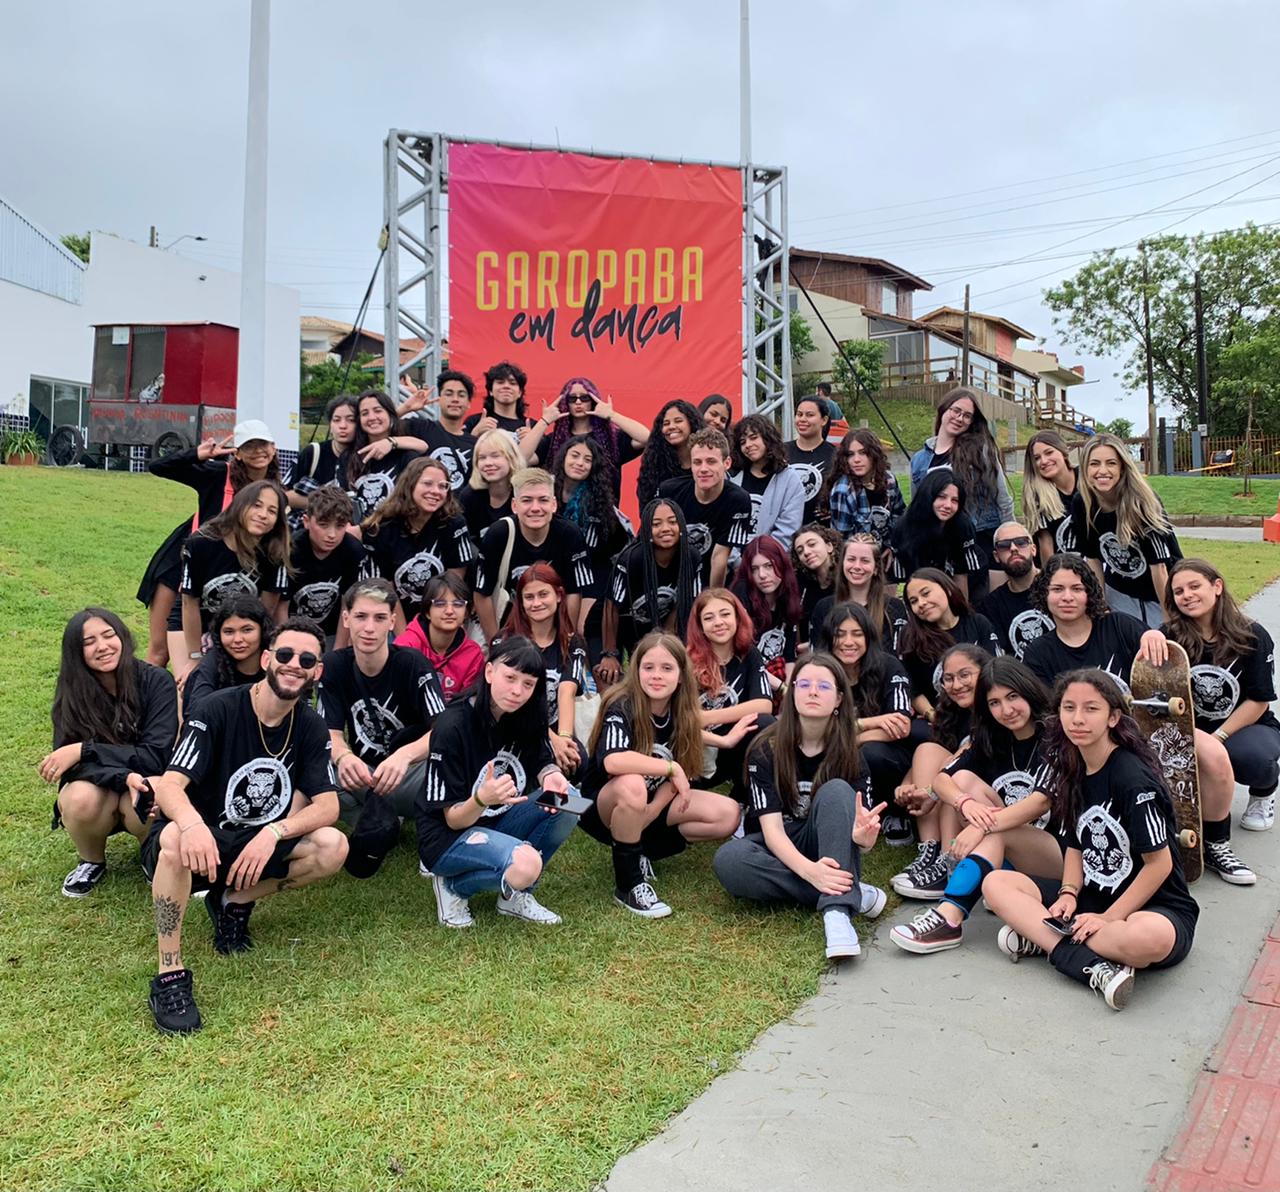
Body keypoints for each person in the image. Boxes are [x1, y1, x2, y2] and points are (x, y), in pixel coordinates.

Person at [144, 617, 348, 1034]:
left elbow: (328, 805)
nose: (295, 664)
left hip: (257, 840)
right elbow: (169, 786)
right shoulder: (217, 708)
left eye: (306, 659)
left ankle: (234, 902)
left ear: (317, 671)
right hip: (201, 837)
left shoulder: (308, 723)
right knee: (171, 838)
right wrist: (191, 824)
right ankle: (170, 972)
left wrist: (275, 832)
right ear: (268, 658)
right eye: (286, 654)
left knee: (333, 846)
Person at [1025, 554, 1254, 885]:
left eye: (1076, 588)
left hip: (1145, 729)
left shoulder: (1118, 625)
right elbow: (1051, 715)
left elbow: (1161, 658)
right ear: (1044, 595)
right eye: (1057, 589)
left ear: (1089, 592)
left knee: (1214, 755)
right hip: (1086, 744)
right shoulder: (1038, 652)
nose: (1067, 597)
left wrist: (1154, 637)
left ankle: (1216, 843)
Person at [983, 669, 1199, 1011]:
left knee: (1148, 938)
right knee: (996, 883)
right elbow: (1075, 843)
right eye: (1069, 708)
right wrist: (1069, 892)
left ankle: (1048, 941)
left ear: (1113, 717)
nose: (1077, 719)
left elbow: (1160, 866)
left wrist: (1110, 918)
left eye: (1091, 709)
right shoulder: (1072, 767)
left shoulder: (1132, 778)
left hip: (1152, 906)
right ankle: (1090, 962)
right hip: (1089, 899)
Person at [713, 653, 889, 959]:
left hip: (827, 843)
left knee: (836, 791)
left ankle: (836, 914)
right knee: (729, 859)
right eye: (803, 683)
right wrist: (810, 872)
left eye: (823, 686)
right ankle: (851, 891)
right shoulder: (765, 749)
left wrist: (863, 840)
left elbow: (859, 836)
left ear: (838, 699)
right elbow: (772, 832)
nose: (812, 691)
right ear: (792, 694)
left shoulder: (851, 755)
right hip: (782, 842)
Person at [890, 658, 1063, 953]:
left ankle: (948, 918)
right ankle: (974, 875)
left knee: (995, 832)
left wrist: (979, 827)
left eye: (1012, 697)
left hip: (1061, 855)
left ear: (1028, 692)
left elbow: (1040, 803)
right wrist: (965, 802)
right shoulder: (991, 737)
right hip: (1012, 842)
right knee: (966, 779)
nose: (1006, 710)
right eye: (994, 703)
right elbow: (943, 780)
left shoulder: (1055, 736)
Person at [415, 635, 575, 928]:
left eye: (528, 684)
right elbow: (452, 820)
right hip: (447, 836)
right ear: (489, 672)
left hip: (494, 818)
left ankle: (514, 894)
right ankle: (452, 887)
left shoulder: (525, 714)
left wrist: (551, 776)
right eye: (510, 677)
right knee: (526, 865)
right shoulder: (452, 727)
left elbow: (541, 759)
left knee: (569, 799)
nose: (517, 691)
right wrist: (481, 799)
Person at [581, 633, 741, 918]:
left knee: (727, 814)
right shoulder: (622, 703)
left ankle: (642, 848)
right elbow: (613, 761)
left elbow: (684, 771)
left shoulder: (683, 711)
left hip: (651, 804)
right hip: (604, 807)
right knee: (632, 783)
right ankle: (628, 884)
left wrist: (653, 811)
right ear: (636, 670)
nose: (657, 676)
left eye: (667, 668)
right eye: (648, 667)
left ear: (681, 675)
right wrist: (670, 768)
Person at [40, 608, 178, 898]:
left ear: (123, 638)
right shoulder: (72, 689)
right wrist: (122, 774)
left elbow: (157, 756)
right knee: (79, 797)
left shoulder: (156, 681)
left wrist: (85, 749)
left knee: (154, 788)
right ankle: (91, 860)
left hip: (145, 783)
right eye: (89, 642)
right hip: (100, 791)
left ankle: (152, 854)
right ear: (76, 652)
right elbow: (70, 766)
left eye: (108, 635)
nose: (102, 646)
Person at [1141, 558, 1280, 833]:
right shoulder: (1170, 636)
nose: (1187, 595)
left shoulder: (1252, 635)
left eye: (1195, 586)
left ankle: (1264, 791)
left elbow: (1259, 700)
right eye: (1179, 592)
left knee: (1255, 759)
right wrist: (1148, 636)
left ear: (1217, 586)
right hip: (1190, 725)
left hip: (1244, 725)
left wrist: (1218, 739)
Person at [136, 418, 280, 667]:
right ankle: (143, 703)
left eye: (263, 444)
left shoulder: (275, 490)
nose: (258, 451)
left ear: (274, 447)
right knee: (160, 651)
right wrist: (196, 454)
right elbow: (158, 467)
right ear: (238, 453)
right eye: (249, 446)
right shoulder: (218, 474)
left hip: (223, 575)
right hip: (179, 564)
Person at [318, 578, 445, 826]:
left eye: (379, 618)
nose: (369, 628)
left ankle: (426, 821)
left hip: (411, 772)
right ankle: (381, 824)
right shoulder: (334, 666)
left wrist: (405, 756)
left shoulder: (413, 663)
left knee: (450, 765)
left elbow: (443, 729)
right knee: (316, 765)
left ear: (391, 622)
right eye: (361, 616)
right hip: (365, 774)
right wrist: (344, 757)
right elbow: (328, 733)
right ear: (346, 619)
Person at [890, 643, 992, 897]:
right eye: (949, 678)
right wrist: (907, 785)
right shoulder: (955, 715)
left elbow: (964, 757)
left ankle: (948, 863)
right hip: (960, 796)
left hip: (984, 799)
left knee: (952, 778)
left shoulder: (995, 709)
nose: (957, 685)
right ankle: (930, 851)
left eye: (965, 675)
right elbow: (940, 757)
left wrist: (930, 790)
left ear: (985, 672)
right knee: (927, 751)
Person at [176, 480, 291, 680]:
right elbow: (189, 603)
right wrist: (194, 657)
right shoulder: (200, 544)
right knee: (188, 683)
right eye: (256, 505)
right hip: (193, 622)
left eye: (272, 511)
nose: (263, 514)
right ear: (239, 505)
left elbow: (265, 612)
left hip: (243, 629)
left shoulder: (275, 552)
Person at [817, 601, 919, 812]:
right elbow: (817, 729)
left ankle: (890, 811)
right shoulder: (819, 671)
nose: (848, 642)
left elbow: (901, 726)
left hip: (886, 753)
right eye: (840, 634)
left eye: (857, 634)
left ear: (868, 637)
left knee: (870, 752)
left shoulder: (889, 666)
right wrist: (871, 722)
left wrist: (856, 738)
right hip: (828, 750)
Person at [1071, 433, 1182, 626]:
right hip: (1120, 592)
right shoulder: (1083, 504)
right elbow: (1093, 559)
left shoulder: (1143, 503)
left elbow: (1160, 568)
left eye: (1111, 463)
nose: (1102, 470)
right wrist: (1100, 605)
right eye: (1094, 463)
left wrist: (1168, 619)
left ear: (1122, 467)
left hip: (1161, 591)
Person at [909, 387, 1014, 590]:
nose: (959, 418)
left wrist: (1009, 539)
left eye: (967, 416)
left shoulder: (981, 450)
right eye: (956, 411)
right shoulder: (919, 460)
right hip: (940, 545)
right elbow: (916, 509)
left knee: (989, 604)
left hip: (981, 538)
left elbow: (1003, 498)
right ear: (943, 410)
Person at [474, 468, 594, 642]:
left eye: (543, 500)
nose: (535, 508)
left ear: (554, 504)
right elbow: (481, 593)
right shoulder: (499, 534)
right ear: (514, 505)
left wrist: (567, 637)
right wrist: (495, 642)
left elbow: (574, 592)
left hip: (553, 621)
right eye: (527, 500)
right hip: (509, 622)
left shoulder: (569, 534)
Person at [361, 456, 476, 624]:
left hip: (440, 614)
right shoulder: (381, 528)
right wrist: (406, 637)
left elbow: (453, 585)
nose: (436, 491)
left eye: (443, 486)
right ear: (410, 485)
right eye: (428, 483)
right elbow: (386, 591)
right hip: (395, 615)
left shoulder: (453, 524)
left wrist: (435, 628)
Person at [685, 588, 775, 799]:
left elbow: (764, 705)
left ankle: (744, 796)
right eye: (709, 618)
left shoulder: (749, 654)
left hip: (732, 748)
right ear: (700, 626)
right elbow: (679, 719)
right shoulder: (686, 661)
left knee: (763, 724)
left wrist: (707, 717)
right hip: (695, 748)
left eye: (725, 614)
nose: (718, 622)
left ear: (737, 617)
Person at [601, 497, 701, 686]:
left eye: (672, 522)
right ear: (647, 529)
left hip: (651, 627)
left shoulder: (691, 557)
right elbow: (611, 607)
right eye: (656, 524)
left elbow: (681, 604)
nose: (665, 528)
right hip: (611, 627)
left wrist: (668, 643)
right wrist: (609, 653)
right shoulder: (631, 560)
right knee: (609, 678)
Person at [506, 563, 590, 777]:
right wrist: (552, 739)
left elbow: (566, 691)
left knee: (578, 760)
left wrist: (564, 739)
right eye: (529, 597)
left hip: (553, 728)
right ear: (521, 602)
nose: (537, 603)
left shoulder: (572, 642)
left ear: (559, 595)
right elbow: (509, 704)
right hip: (511, 728)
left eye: (543, 594)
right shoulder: (506, 641)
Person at [657, 427, 753, 588]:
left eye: (711, 461)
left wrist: (712, 598)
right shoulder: (669, 491)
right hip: (669, 574)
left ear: (727, 463)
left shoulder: (738, 500)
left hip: (710, 575)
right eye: (697, 462)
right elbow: (655, 543)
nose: (703, 469)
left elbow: (719, 558)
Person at [900, 569, 1002, 718]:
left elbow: (996, 669)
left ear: (947, 589)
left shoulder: (978, 623)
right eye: (913, 601)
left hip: (984, 710)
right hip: (942, 717)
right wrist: (931, 714)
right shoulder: (910, 636)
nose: (921, 603)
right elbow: (913, 689)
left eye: (926, 593)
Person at [551, 433, 629, 629]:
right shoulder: (545, 492)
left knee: (579, 630)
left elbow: (616, 547)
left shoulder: (599, 501)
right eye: (575, 455)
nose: (580, 463)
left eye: (588, 459)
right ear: (563, 458)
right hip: (554, 571)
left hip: (592, 573)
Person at [526, 376, 650, 493]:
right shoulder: (554, 441)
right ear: (566, 403)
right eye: (572, 398)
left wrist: (611, 415)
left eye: (584, 398)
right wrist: (544, 421)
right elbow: (521, 458)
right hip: (562, 513)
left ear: (592, 401)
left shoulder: (612, 438)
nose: (578, 402)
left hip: (603, 511)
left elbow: (646, 438)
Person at [889, 468, 985, 600]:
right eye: (941, 497)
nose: (948, 505)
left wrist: (963, 614)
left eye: (954, 500)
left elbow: (961, 575)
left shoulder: (962, 526)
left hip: (966, 579)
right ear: (928, 495)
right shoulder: (903, 528)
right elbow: (901, 581)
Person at [286, 487, 367, 645]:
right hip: (294, 630)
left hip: (331, 631)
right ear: (307, 522)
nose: (332, 535)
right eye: (323, 525)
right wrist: (288, 643)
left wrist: (339, 649)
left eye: (339, 526)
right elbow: (281, 607)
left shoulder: (353, 550)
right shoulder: (291, 551)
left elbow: (348, 603)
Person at [808, 534, 909, 655]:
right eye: (851, 559)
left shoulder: (894, 607)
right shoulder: (824, 607)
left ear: (876, 568)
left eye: (865, 561)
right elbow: (818, 657)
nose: (857, 566)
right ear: (843, 564)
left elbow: (899, 657)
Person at [395, 572, 485, 703]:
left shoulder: (473, 654)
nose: (449, 611)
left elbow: (466, 707)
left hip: (452, 721)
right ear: (427, 611)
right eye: (440, 603)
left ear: (466, 612)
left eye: (458, 604)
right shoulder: (405, 647)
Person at [731, 535, 803, 692]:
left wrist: (791, 690)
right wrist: (783, 689)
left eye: (769, 566)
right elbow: (744, 657)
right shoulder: (742, 593)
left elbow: (790, 656)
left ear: (782, 566)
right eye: (755, 569)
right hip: (746, 680)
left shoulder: (788, 595)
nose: (762, 575)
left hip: (777, 676)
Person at [183, 595, 270, 721]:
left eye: (247, 630)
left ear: (262, 630)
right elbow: (196, 712)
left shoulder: (277, 662)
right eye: (229, 632)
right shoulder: (211, 664)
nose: (238, 640)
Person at [341, 390, 425, 518]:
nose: (372, 417)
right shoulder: (348, 457)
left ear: (390, 414)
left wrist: (390, 442)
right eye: (365, 413)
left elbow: (424, 446)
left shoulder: (407, 456)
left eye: (378, 410)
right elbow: (341, 502)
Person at [978, 521, 1054, 660]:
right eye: (1004, 545)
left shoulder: (1058, 587)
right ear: (996, 556)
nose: (1013, 548)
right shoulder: (991, 606)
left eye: (1021, 542)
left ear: (1033, 549)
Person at [395, 370, 480, 492]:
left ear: (468, 403)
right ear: (439, 399)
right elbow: (380, 427)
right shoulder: (420, 427)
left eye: (461, 395)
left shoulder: (476, 445)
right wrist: (406, 408)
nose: (455, 399)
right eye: (449, 394)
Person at [729, 415, 805, 550]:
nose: (748, 445)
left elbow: (787, 531)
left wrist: (762, 562)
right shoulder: (732, 477)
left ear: (768, 438)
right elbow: (724, 526)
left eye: (753, 438)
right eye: (742, 442)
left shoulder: (790, 480)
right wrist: (736, 563)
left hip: (771, 563)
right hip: (732, 564)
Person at [821, 429, 906, 545]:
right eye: (851, 454)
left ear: (874, 454)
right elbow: (842, 540)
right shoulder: (844, 490)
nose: (856, 460)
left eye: (863, 453)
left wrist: (890, 547)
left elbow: (899, 517)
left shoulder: (889, 480)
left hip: (886, 551)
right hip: (856, 556)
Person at [285, 395, 359, 510]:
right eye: (336, 420)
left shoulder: (366, 456)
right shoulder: (313, 453)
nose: (342, 426)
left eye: (351, 420)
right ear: (330, 425)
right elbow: (283, 494)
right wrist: (327, 505)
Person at [1021, 430, 1078, 559]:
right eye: (1037, 458)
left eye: (1049, 452)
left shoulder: (1086, 481)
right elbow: (1046, 548)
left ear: (1063, 452)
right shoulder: (1038, 496)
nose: (1044, 461)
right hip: (1060, 567)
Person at [637, 399, 703, 509]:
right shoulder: (654, 464)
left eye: (678, 421)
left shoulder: (706, 464)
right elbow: (645, 507)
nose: (671, 426)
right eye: (666, 423)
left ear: (691, 423)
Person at [459, 429, 522, 542]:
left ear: (511, 458)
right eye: (482, 458)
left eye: (495, 456)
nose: (488, 463)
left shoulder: (525, 493)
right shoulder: (469, 496)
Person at [785, 394, 837, 525]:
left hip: (822, 534)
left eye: (809, 415)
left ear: (824, 420)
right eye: (799, 414)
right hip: (785, 530)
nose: (802, 419)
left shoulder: (836, 455)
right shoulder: (781, 451)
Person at [790, 524, 844, 647]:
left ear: (829, 546)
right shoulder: (801, 583)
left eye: (812, 544)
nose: (806, 552)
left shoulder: (846, 579)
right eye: (800, 551)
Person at [463, 360, 537, 441]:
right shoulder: (474, 422)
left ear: (520, 392)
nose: (506, 386)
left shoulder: (532, 427)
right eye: (500, 382)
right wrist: (474, 434)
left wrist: (532, 441)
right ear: (490, 391)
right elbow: (460, 450)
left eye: (512, 383)